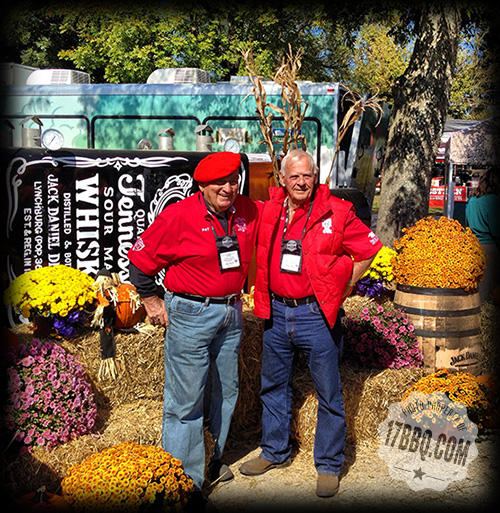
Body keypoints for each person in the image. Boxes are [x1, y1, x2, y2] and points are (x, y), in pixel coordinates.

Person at [239, 149, 382, 498]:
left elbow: (369, 248)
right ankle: (274, 451)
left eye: (307, 175)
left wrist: (344, 288)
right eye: (295, 176)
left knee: (328, 392)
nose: (301, 182)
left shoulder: (337, 210)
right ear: (284, 180)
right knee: (273, 385)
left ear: (315, 177)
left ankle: (329, 464)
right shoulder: (270, 209)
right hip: (275, 312)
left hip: (315, 314)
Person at [127, 152, 261, 501]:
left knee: (226, 392)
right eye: (221, 181)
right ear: (202, 185)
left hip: (231, 313)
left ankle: (212, 461)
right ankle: (184, 482)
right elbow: (139, 262)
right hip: (190, 313)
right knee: (185, 401)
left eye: (233, 180)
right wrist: (152, 302)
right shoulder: (179, 215)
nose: (229, 188)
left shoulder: (246, 211)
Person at [465, 167, 500, 302]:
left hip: (473, 248)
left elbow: (468, 225)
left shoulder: (472, 200)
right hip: (490, 248)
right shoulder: (493, 201)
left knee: (477, 291)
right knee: (490, 294)